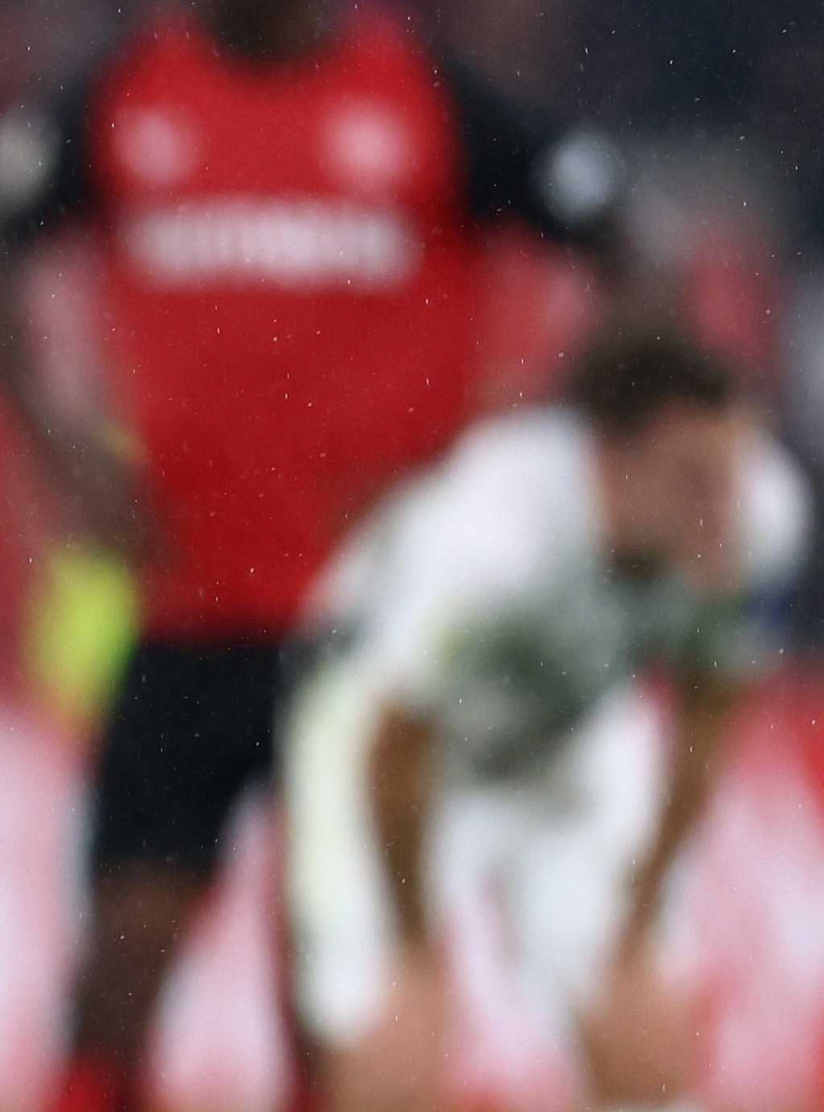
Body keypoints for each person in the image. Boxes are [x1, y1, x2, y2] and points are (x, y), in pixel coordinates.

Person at [0, 0, 630, 1112]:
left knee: (328, 996)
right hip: (187, 612)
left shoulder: (427, 97)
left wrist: (508, 439)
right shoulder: (124, 93)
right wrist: (64, 448)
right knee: (120, 971)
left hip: (372, 633)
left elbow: (615, 249)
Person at [282, 330, 807, 1112]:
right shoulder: (494, 533)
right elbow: (396, 739)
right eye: (692, 478)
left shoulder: (757, 512)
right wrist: (417, 955)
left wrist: (634, 935)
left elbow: (703, 724)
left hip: (567, 734)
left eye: (730, 470)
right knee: (391, 1045)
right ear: (607, 461)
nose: (721, 504)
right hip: (384, 731)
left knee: (643, 1034)